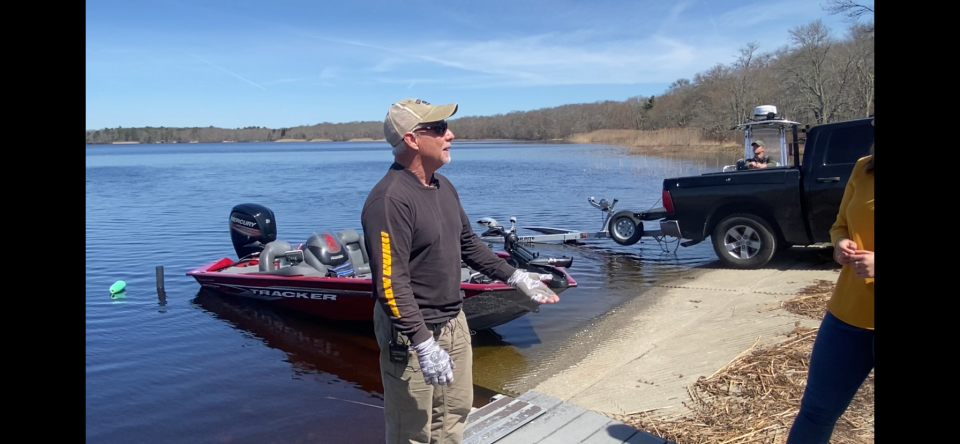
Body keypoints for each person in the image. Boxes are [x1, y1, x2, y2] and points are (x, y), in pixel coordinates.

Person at [361, 98, 560, 444]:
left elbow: (468, 245)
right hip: (411, 334)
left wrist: (515, 276)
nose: (450, 135)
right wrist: (423, 344)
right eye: (438, 128)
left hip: (455, 323)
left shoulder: (442, 187)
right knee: (414, 431)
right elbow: (390, 285)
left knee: (454, 418)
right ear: (411, 139)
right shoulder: (389, 201)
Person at [786, 118, 874, 444]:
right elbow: (840, 224)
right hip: (846, 317)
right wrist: (839, 244)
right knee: (816, 412)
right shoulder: (864, 168)